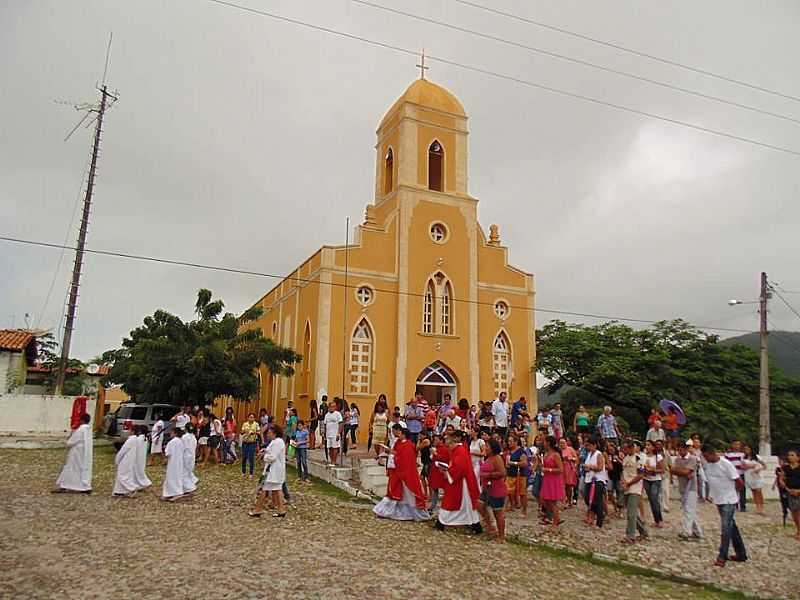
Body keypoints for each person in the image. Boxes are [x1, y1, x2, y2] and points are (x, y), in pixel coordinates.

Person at [702, 443, 748, 567]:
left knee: (725, 528)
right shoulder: (708, 465)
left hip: (729, 500)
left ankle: (722, 556)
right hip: (718, 499)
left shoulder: (726, 464)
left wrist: (733, 494)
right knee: (732, 527)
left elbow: (739, 482)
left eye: (707, 456)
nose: (705, 459)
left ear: (712, 454)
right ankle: (741, 553)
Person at [374, 423, 430, 521]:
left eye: (400, 433)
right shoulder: (398, 443)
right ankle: (394, 512)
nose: (398, 434)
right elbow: (396, 454)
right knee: (399, 493)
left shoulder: (409, 445)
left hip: (406, 473)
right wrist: (388, 453)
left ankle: (413, 513)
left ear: (404, 434)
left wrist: (393, 456)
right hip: (399, 472)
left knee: (409, 495)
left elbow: (405, 458)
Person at [435, 431, 482, 534]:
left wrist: (447, 472)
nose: (448, 448)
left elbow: (459, 468)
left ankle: (441, 523)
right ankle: (475, 525)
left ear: (452, 443)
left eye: (448, 446)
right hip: (459, 481)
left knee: (453, 502)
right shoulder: (458, 450)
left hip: (462, 483)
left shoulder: (460, 451)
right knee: (466, 505)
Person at [249, 425, 287, 518]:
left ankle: (258, 509)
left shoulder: (277, 442)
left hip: (273, 470)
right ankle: (281, 509)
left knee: (264, 489)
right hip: (274, 470)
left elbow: (272, 457)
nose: (268, 434)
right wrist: (265, 451)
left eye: (269, 432)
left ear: (274, 433)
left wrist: (264, 457)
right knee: (277, 489)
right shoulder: (275, 442)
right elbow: (271, 452)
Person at [53, 413, 93, 494]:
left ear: (82, 420)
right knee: (81, 470)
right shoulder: (88, 429)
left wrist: (66, 441)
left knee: (71, 468)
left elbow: (72, 441)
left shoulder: (81, 429)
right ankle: (84, 486)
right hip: (84, 454)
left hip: (76, 453)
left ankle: (64, 485)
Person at [673, 440, 703, 540]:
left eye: (681, 450)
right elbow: (674, 470)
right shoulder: (677, 459)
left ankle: (686, 531)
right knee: (691, 510)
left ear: (686, 449)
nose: (679, 452)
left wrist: (678, 471)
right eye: (678, 450)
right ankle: (698, 531)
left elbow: (687, 472)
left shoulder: (693, 459)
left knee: (688, 510)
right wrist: (682, 472)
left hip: (691, 488)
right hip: (682, 487)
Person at [478, 437, 507, 541]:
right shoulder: (488, 458)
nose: (485, 447)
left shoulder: (497, 458)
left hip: (496, 488)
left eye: (487, 446)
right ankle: (490, 526)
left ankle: (501, 535)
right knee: (480, 505)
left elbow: (502, 473)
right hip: (487, 488)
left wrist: (488, 475)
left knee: (498, 513)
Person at [620, 440, 649, 543]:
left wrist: (629, 483)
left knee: (631, 513)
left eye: (626, 448)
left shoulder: (639, 459)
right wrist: (623, 482)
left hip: (635, 487)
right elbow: (623, 472)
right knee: (632, 513)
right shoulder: (625, 459)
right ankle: (643, 531)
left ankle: (630, 535)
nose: (625, 450)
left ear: (632, 448)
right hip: (627, 487)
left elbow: (640, 475)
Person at [539, 435, 564, 532]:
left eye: (544, 441)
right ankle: (556, 516)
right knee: (544, 499)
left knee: (552, 501)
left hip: (553, 479)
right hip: (547, 478)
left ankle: (555, 520)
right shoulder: (546, 454)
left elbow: (560, 469)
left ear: (548, 443)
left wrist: (548, 469)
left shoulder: (556, 455)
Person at [583, 436, 607, 528]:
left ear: (594, 445)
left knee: (597, 501)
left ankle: (599, 521)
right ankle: (593, 515)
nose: (587, 447)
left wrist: (591, 467)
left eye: (589, 445)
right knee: (587, 498)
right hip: (589, 479)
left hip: (597, 480)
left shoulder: (598, 454)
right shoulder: (589, 454)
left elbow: (600, 467)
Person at [777, 448, 800, 540]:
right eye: (789, 455)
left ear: (798, 457)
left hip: (799, 491)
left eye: (792, 455)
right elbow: (781, 479)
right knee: (794, 512)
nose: (790, 457)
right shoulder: (785, 468)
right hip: (790, 491)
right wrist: (787, 489)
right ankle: (798, 530)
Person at [642, 440, 664, 528]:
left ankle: (659, 519)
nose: (647, 447)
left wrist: (653, 470)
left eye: (649, 445)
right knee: (651, 500)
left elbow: (662, 469)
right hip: (646, 479)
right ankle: (656, 519)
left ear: (653, 447)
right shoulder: (643, 456)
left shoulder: (658, 457)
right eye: (646, 445)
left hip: (656, 479)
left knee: (654, 498)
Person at [505, 435, 529, 517]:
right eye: (508, 441)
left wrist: (513, 463)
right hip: (510, 474)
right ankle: (511, 506)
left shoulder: (521, 451)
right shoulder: (509, 451)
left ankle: (524, 510)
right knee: (508, 491)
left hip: (520, 474)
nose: (509, 443)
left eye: (511, 441)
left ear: (516, 442)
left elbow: (524, 463)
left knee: (522, 493)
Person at [112, 429, 139, 497]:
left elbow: (123, 451)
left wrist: (117, 459)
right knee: (125, 475)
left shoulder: (130, 440)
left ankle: (132, 488)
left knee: (122, 475)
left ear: (132, 432)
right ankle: (120, 491)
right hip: (130, 460)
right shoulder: (136, 440)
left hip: (125, 460)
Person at [162, 427, 185, 501]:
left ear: (175, 433)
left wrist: (165, 459)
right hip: (179, 462)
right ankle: (170, 493)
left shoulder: (172, 442)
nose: (170, 434)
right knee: (176, 477)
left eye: (171, 432)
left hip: (172, 462)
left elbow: (168, 453)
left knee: (171, 478)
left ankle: (175, 493)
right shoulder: (181, 441)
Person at [724, 440, 747, 512]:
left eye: (738, 444)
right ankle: (734, 504)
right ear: (732, 445)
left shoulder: (742, 454)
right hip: (732, 474)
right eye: (735, 444)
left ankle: (743, 505)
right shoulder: (728, 455)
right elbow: (726, 464)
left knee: (742, 490)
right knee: (733, 490)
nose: (737, 446)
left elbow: (743, 463)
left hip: (740, 473)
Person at [427, 434, 449, 511]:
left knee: (445, 489)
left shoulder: (445, 449)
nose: (434, 441)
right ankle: (433, 505)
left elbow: (445, 459)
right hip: (435, 470)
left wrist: (435, 453)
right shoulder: (435, 448)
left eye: (436, 440)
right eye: (434, 440)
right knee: (434, 488)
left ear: (441, 440)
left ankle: (446, 505)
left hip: (441, 471)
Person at [743, 445, 766, 515]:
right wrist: (749, 466)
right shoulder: (744, 458)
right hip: (749, 476)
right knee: (753, 491)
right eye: (745, 449)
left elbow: (764, 466)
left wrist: (758, 468)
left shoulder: (757, 457)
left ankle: (762, 507)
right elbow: (743, 466)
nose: (746, 450)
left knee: (759, 491)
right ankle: (757, 507)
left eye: (748, 449)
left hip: (757, 476)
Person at [132, 425, 152, 491]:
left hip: (137, 457)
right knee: (140, 470)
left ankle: (141, 483)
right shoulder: (145, 438)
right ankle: (140, 483)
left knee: (137, 471)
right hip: (142, 457)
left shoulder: (138, 439)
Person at [324, 400, 343, 466]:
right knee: (329, 448)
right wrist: (324, 434)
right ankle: (331, 460)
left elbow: (340, 424)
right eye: (331, 406)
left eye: (334, 406)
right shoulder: (327, 415)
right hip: (328, 434)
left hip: (335, 434)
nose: (332, 408)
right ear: (329, 407)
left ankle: (334, 461)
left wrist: (338, 433)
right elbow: (325, 425)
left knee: (335, 447)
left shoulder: (338, 414)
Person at [559, 438, 577, 508]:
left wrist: (570, 458)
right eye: (560, 443)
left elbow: (576, 458)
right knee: (562, 486)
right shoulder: (559, 450)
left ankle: (569, 501)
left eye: (563, 443)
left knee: (568, 486)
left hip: (569, 469)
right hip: (561, 469)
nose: (562, 444)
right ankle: (564, 501)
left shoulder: (570, 449)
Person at [241, 413, 260, 478]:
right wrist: (245, 432)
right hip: (245, 442)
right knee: (244, 457)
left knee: (251, 457)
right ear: (248, 418)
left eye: (252, 417)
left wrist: (253, 433)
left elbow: (259, 432)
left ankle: (251, 473)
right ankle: (243, 472)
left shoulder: (256, 424)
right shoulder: (245, 424)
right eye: (250, 417)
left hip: (252, 442)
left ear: (254, 418)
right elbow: (242, 431)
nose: (251, 418)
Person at [182, 424, 199, 495]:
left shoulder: (185, 437)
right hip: (192, 456)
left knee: (184, 472)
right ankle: (190, 482)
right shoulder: (193, 437)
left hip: (185, 456)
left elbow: (183, 446)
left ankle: (189, 487)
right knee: (188, 471)